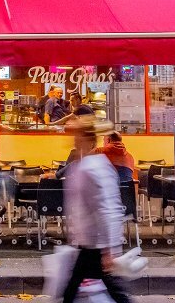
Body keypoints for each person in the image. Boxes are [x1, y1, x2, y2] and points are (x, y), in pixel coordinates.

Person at [59, 116, 130, 303]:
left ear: (89, 140)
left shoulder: (92, 167)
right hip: (90, 242)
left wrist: (109, 249)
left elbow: (106, 209)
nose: (74, 141)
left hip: (95, 243)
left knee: (109, 289)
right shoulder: (91, 165)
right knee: (75, 287)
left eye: (78, 137)